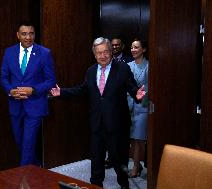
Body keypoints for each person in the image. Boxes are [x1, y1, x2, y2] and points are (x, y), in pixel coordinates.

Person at [50, 37, 146, 189]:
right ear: (95, 55)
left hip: (117, 126)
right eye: (99, 53)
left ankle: (124, 185)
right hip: (97, 125)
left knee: (119, 162)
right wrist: (62, 92)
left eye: (106, 52)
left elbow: (132, 87)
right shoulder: (91, 71)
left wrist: (137, 95)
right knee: (96, 163)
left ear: (111, 52)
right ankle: (96, 185)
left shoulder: (122, 68)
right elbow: (82, 90)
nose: (103, 56)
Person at [0, 21, 56, 166]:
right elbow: (4, 77)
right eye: (24, 34)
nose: (28, 37)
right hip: (15, 105)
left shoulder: (44, 53)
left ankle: (23, 181)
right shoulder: (9, 52)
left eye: (31, 33)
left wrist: (34, 90)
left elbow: (50, 80)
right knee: (21, 143)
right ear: (18, 35)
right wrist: (10, 91)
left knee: (28, 143)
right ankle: (37, 168)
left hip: (35, 106)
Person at [104, 37, 134, 169]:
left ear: (122, 46)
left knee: (121, 139)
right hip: (108, 107)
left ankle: (122, 166)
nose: (115, 47)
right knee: (109, 135)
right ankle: (110, 159)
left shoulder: (128, 62)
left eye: (117, 45)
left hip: (123, 104)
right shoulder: (104, 63)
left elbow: (130, 84)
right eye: (113, 45)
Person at [127, 38, 149, 178]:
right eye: (132, 47)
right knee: (131, 139)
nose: (133, 50)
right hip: (127, 106)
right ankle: (138, 164)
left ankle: (136, 166)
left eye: (136, 47)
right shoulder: (127, 66)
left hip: (143, 107)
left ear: (143, 50)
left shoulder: (149, 66)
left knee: (138, 138)